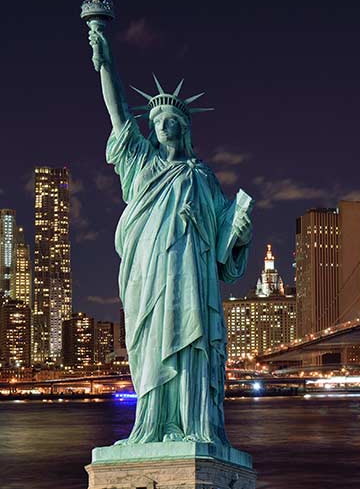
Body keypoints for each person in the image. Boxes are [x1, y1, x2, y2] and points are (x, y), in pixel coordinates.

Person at [89, 26, 253, 445]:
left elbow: (223, 253)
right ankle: (152, 425)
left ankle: (193, 425)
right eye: (156, 120)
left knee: (191, 342)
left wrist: (239, 233)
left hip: (191, 275)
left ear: (183, 127)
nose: (161, 126)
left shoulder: (203, 177)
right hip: (149, 270)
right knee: (150, 341)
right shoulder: (140, 162)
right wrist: (105, 59)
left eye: (169, 121)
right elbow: (119, 112)